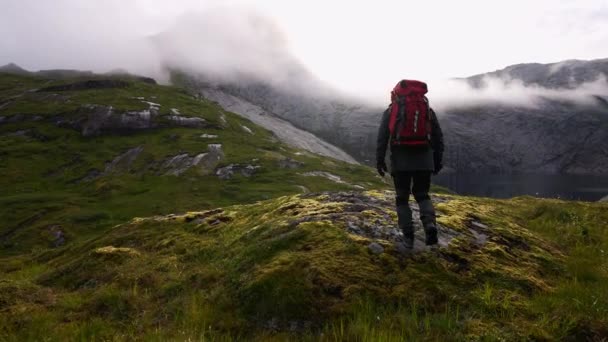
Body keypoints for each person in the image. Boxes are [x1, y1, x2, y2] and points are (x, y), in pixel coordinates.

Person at [376, 80, 444, 249]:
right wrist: (436, 161)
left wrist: (380, 161)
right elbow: (438, 138)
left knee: (402, 198)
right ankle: (430, 225)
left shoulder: (391, 111)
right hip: (424, 158)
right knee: (422, 194)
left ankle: (408, 238)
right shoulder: (427, 111)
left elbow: (382, 138)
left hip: (401, 160)